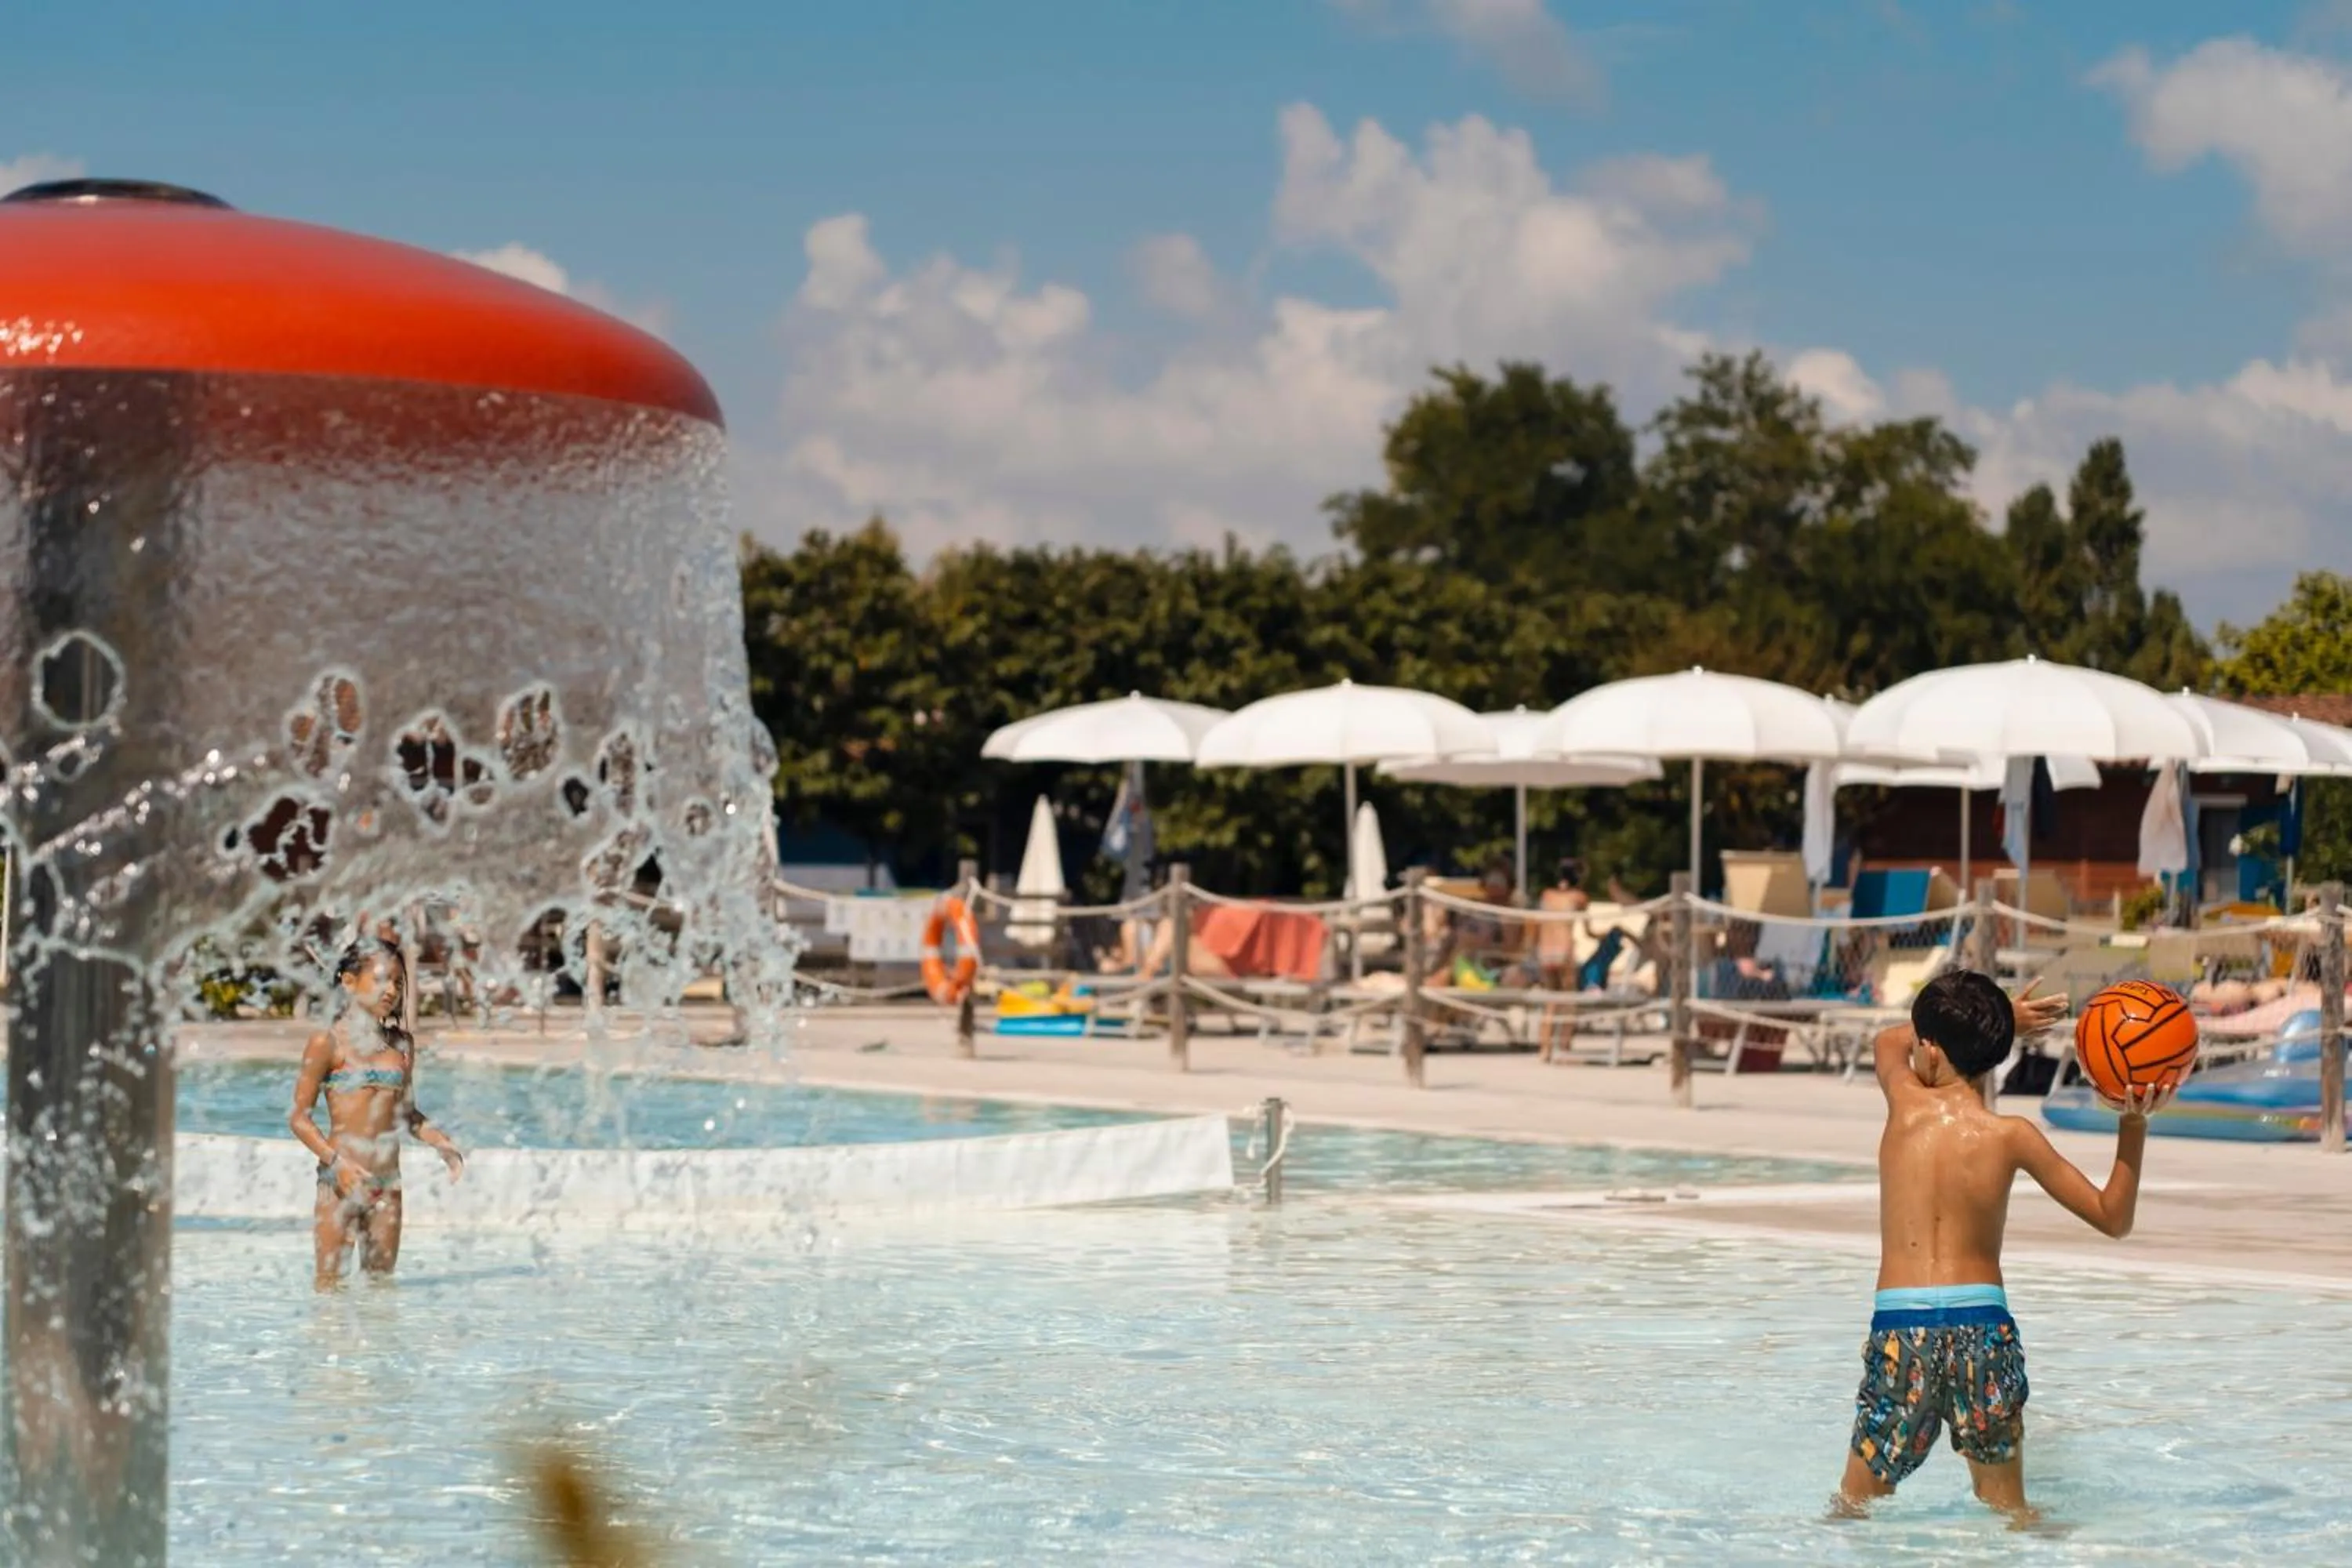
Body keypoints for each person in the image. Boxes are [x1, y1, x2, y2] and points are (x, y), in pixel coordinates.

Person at [1835, 971, 2174, 1521]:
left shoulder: (1904, 1102)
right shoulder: (2011, 1135)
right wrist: (2133, 1123)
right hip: (1982, 1330)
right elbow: (2113, 1218)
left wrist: (2004, 1020)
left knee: (1854, 1506)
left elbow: (1886, 1041)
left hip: (1903, 1330)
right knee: (2010, 1511)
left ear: (1931, 1049)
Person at [289, 942, 465, 1288]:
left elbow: (406, 1112)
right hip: (339, 1183)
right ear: (349, 982)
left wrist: (441, 1142)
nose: (392, 990)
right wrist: (336, 1163)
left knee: (381, 1290)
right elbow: (298, 1118)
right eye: (382, 980)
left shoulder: (401, 1046)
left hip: (387, 1186)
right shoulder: (327, 1042)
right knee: (330, 1288)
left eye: (398, 983)